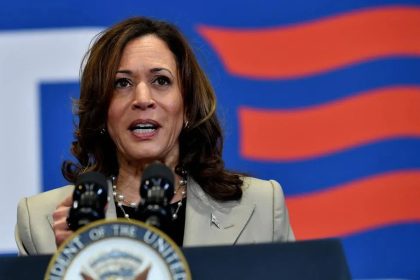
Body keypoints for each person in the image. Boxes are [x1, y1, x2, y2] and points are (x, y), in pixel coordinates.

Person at [15, 16, 294, 255]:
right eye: (122, 83)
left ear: (187, 108)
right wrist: (74, 263)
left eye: (161, 81)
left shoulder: (259, 207)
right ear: (101, 111)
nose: (142, 99)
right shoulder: (41, 223)